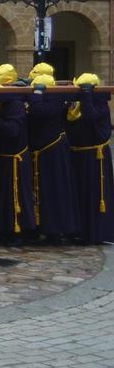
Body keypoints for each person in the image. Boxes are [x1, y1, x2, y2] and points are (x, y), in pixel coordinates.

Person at [0, 64, 35, 243]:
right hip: (0, 157)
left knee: (16, 196)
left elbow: (13, 130)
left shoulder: (15, 104)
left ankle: (18, 232)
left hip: (15, 160)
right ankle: (1, 229)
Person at [26, 72, 76, 242]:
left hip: (54, 153)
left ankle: (54, 231)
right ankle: (37, 227)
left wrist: (36, 94)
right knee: (38, 193)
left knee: (54, 192)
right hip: (40, 153)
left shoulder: (55, 101)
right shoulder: (43, 101)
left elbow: (39, 111)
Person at [66, 73, 113, 245]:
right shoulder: (76, 106)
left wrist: (86, 97)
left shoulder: (100, 105)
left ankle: (94, 233)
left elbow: (90, 116)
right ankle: (77, 230)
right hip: (78, 155)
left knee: (93, 195)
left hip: (94, 158)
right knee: (79, 194)